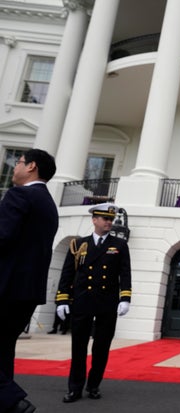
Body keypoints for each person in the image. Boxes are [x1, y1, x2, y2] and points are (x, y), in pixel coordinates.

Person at [55, 202, 132, 403]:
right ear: (94, 220)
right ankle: (74, 388)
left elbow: (125, 274)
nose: (109, 222)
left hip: (107, 302)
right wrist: (62, 298)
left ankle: (94, 385)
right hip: (83, 300)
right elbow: (68, 273)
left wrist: (125, 298)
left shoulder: (120, 245)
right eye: (105, 218)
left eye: (111, 219)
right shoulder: (79, 244)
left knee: (101, 347)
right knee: (78, 347)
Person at [0, 149, 58, 413]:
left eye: (19, 163)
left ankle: (13, 401)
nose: (14, 167)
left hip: (5, 285)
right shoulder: (47, 202)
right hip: (28, 291)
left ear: (32, 166)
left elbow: (2, 237)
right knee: (3, 349)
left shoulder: (19, 195)